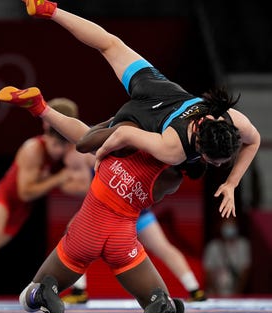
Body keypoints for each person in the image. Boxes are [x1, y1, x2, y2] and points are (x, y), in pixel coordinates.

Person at [21, 0, 260, 221]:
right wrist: (101, 154)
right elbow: (124, 137)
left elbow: (254, 140)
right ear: (199, 143)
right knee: (87, 143)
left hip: (162, 91)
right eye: (214, 161)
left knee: (110, 44)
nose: (217, 166)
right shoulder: (173, 150)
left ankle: (51, 11)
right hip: (147, 117)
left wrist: (231, 183)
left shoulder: (234, 120)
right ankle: (42, 105)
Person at [0, 85, 187, 313]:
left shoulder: (120, 137)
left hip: (89, 227)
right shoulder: (171, 175)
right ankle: (159, 299)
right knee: (163, 298)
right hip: (123, 237)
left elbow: (83, 141)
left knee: (29, 295)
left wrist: (108, 127)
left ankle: (42, 292)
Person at [0, 97, 94, 280]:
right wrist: (59, 179)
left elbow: (84, 187)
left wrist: (65, 181)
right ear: (46, 130)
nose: (57, 152)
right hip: (5, 197)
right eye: (54, 145)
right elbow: (25, 192)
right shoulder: (33, 149)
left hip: (22, 210)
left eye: (62, 145)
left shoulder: (72, 151)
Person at [63, 208, 206, 303]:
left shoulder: (96, 166)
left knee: (77, 236)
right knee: (164, 249)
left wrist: (60, 179)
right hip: (136, 213)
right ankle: (195, 291)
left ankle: (78, 291)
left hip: (116, 215)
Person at [203, 217, 251, 296]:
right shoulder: (213, 246)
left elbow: (246, 270)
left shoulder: (243, 244)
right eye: (226, 225)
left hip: (235, 290)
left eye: (232, 225)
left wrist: (238, 292)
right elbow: (207, 271)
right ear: (220, 226)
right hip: (215, 291)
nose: (229, 228)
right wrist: (216, 292)